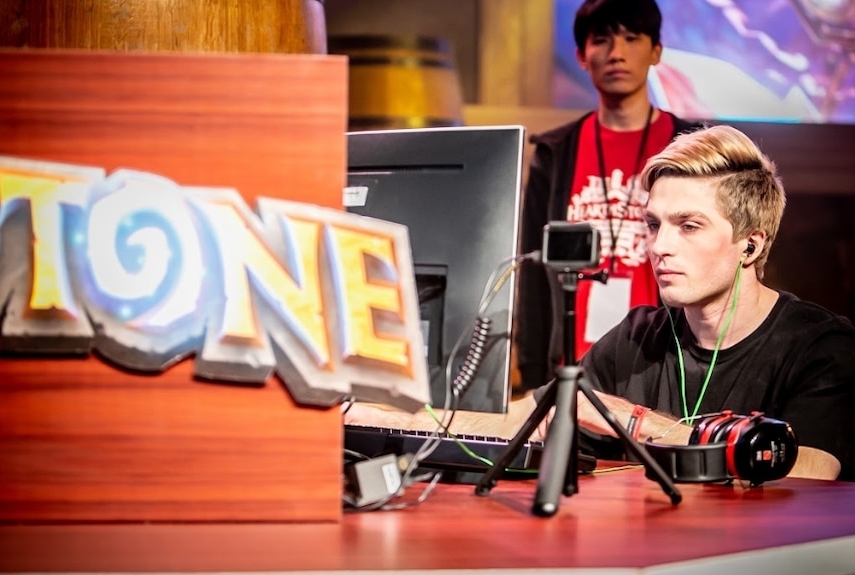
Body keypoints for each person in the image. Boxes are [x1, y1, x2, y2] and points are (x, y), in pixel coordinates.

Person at [346, 124, 855, 482]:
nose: (659, 246)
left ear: (752, 243)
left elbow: (814, 466)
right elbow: (535, 414)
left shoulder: (821, 345)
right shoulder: (640, 334)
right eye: (654, 224)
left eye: (689, 226)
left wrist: (638, 422)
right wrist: (380, 416)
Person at [517, 0, 701, 393]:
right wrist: (533, 373)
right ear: (582, 56)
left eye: (632, 39)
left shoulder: (692, 146)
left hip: (661, 366)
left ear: (656, 52)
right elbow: (534, 271)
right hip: (568, 366)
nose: (616, 53)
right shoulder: (555, 153)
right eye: (601, 41)